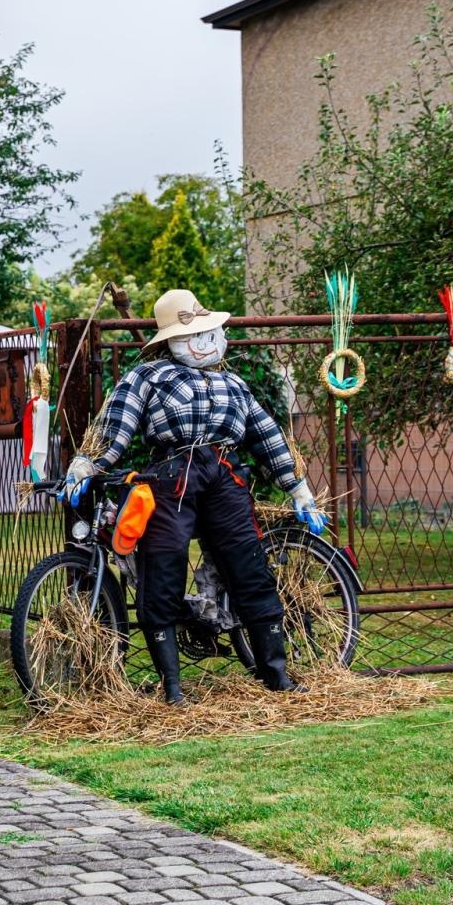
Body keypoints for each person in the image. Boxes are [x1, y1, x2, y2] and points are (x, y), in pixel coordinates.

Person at [60, 288, 325, 704]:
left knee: (249, 566)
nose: (205, 342)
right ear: (170, 341)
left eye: (210, 333)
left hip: (225, 477)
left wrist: (298, 487)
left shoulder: (234, 384)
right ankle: (173, 688)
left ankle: (276, 674)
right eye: (193, 335)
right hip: (171, 478)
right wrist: (87, 464)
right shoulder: (148, 377)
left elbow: (267, 435)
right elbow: (116, 425)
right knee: (162, 570)